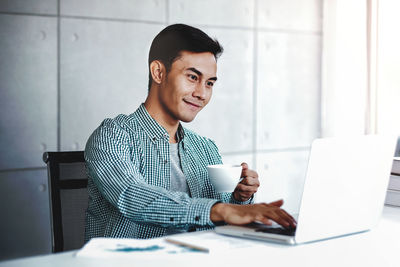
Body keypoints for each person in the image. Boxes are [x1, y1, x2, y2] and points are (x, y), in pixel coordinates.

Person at [84, 24, 296, 241]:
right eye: (193, 77)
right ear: (158, 72)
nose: (202, 94)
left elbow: (220, 220)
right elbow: (131, 197)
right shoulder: (112, 136)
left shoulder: (205, 148)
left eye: (210, 83)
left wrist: (239, 199)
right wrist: (223, 210)